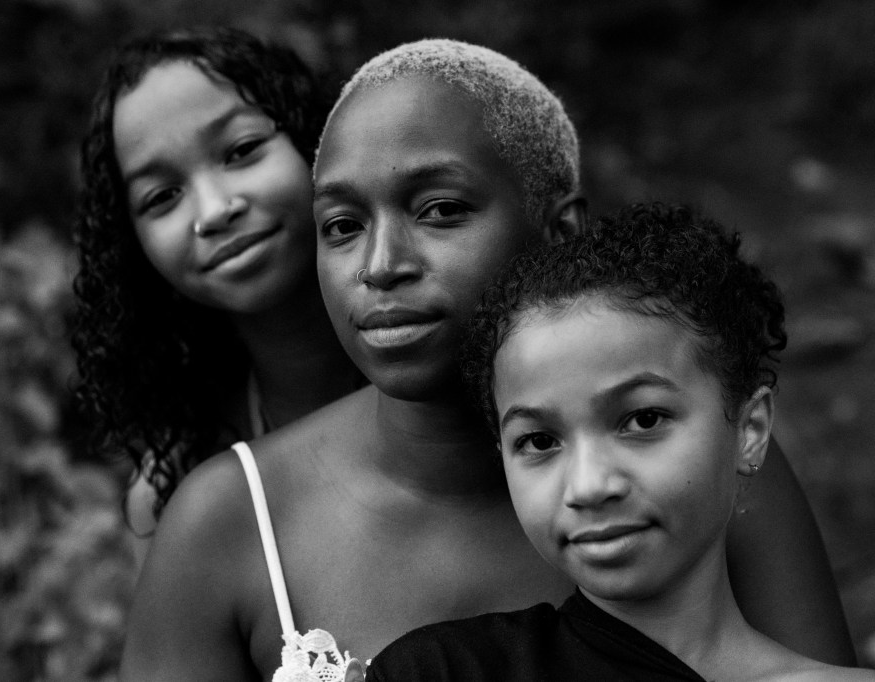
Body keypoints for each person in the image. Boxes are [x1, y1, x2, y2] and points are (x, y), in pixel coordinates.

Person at [120, 39, 855, 681]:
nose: (381, 265)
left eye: (440, 210)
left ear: (559, 230)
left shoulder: (700, 461)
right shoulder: (226, 524)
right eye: (341, 225)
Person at [364, 203, 874, 681]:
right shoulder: (441, 672)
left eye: (643, 420)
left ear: (750, 430)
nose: (589, 486)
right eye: (538, 441)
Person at [71, 28, 361, 547]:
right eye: (162, 196)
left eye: (242, 150)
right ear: (132, 249)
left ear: (314, 138)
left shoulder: (475, 383)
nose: (213, 210)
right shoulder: (172, 493)